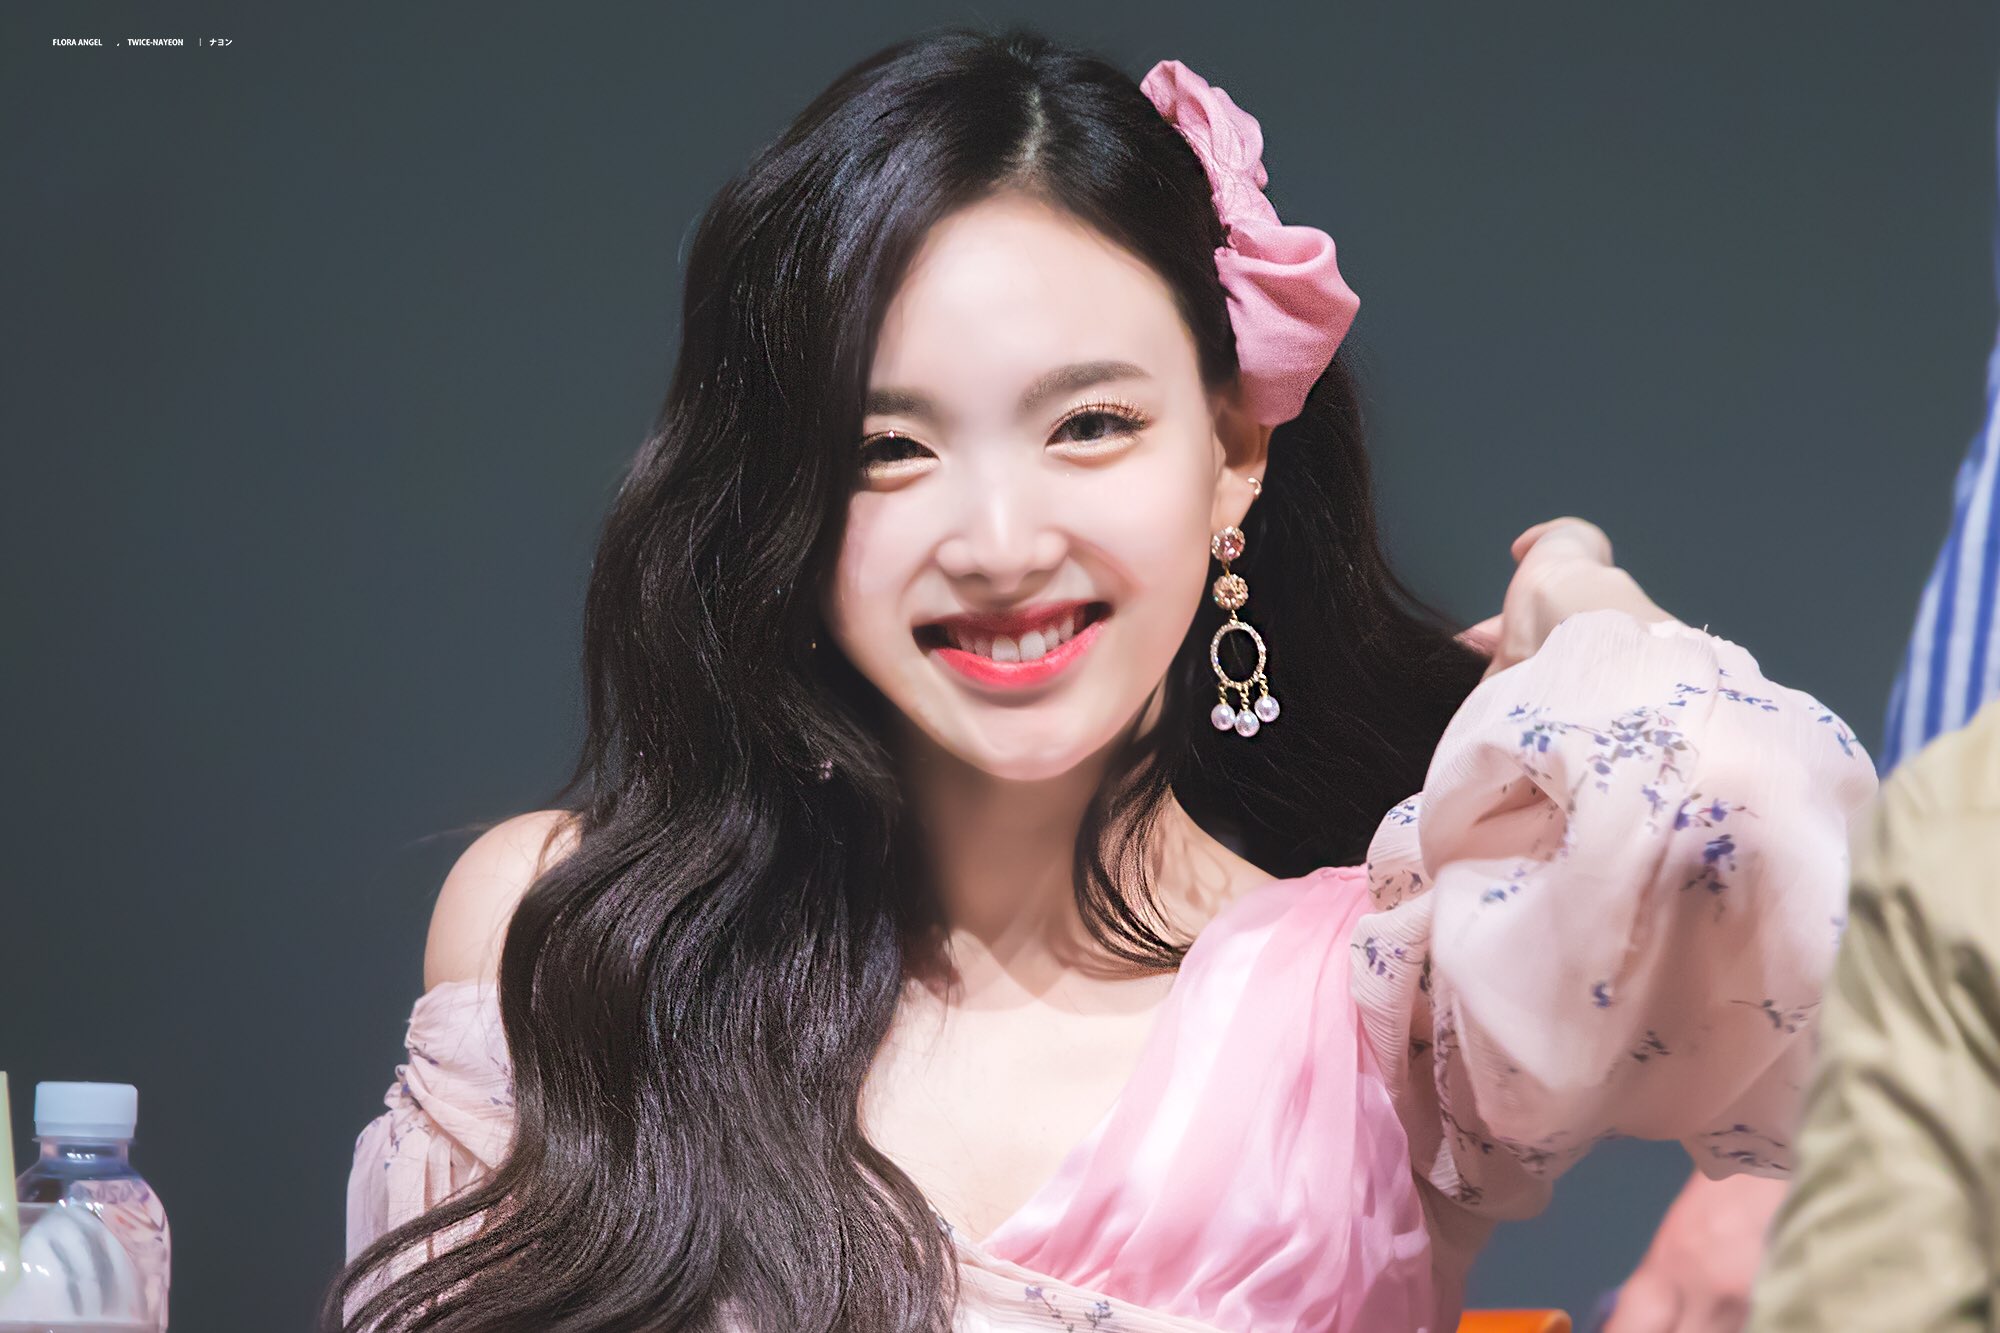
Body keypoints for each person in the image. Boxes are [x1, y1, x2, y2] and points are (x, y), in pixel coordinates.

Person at [325, 27, 1877, 1333]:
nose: (1002, 544)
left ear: (1235, 450)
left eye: (1090, 426)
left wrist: (1580, 594)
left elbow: (1752, 824)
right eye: (890, 448)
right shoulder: (569, 944)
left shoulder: (1385, 1006)